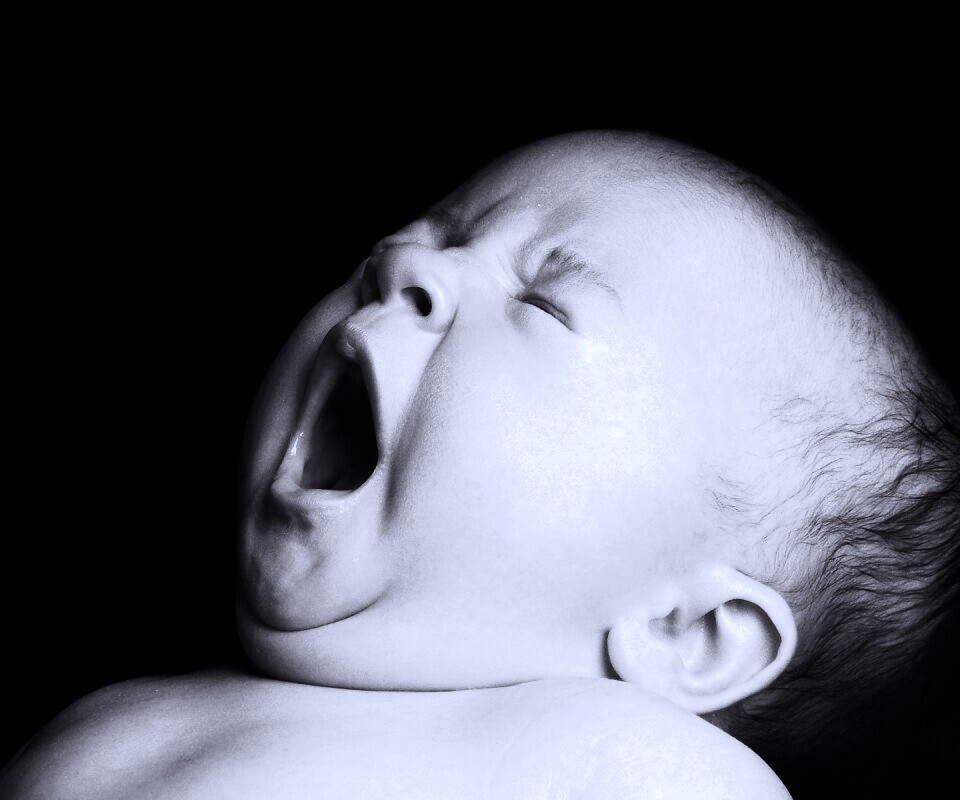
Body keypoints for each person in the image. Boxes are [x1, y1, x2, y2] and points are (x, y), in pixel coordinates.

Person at [2, 129, 956, 799]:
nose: (402, 263)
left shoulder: (644, 767)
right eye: (438, 233)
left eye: (542, 302)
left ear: (689, 633)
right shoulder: (147, 704)